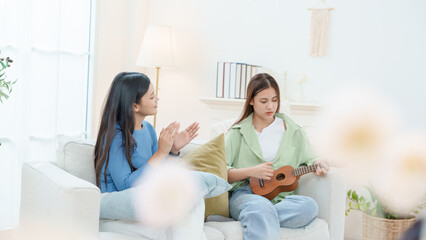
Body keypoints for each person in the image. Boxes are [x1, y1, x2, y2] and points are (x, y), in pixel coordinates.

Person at [94, 72, 203, 239]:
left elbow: (158, 176)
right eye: (152, 97)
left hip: (141, 205)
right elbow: (125, 186)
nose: (157, 99)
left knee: (193, 199)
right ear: (135, 105)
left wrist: (172, 150)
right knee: (170, 230)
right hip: (115, 209)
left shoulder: (149, 130)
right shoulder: (115, 136)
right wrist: (161, 152)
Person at [225, 73, 328, 240]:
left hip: (280, 199)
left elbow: (311, 156)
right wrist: (251, 171)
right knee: (259, 206)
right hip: (245, 195)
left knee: (309, 207)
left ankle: (254, 218)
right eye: (264, 101)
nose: (270, 107)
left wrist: (319, 162)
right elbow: (223, 172)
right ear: (251, 101)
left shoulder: (292, 130)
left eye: (274, 100)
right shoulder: (237, 133)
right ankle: (255, 214)